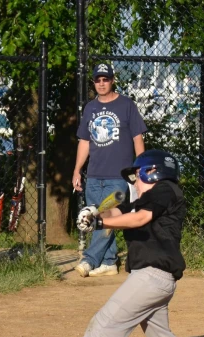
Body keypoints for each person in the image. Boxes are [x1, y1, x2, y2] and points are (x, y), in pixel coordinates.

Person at [31, 150, 204, 337]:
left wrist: (100, 223)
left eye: (138, 176)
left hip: (151, 278)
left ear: (154, 172)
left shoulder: (165, 190)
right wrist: (96, 211)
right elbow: (122, 211)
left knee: (103, 324)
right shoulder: (147, 198)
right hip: (156, 280)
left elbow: (138, 218)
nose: (134, 182)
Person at [73, 63, 147, 277]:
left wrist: (139, 171)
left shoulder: (126, 105)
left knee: (103, 216)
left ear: (112, 80)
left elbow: (137, 138)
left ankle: (89, 259)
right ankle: (108, 262)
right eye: (98, 79)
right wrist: (77, 170)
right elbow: (84, 142)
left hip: (119, 176)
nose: (102, 83)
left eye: (106, 79)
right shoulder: (90, 108)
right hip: (94, 175)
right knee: (100, 218)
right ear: (94, 82)